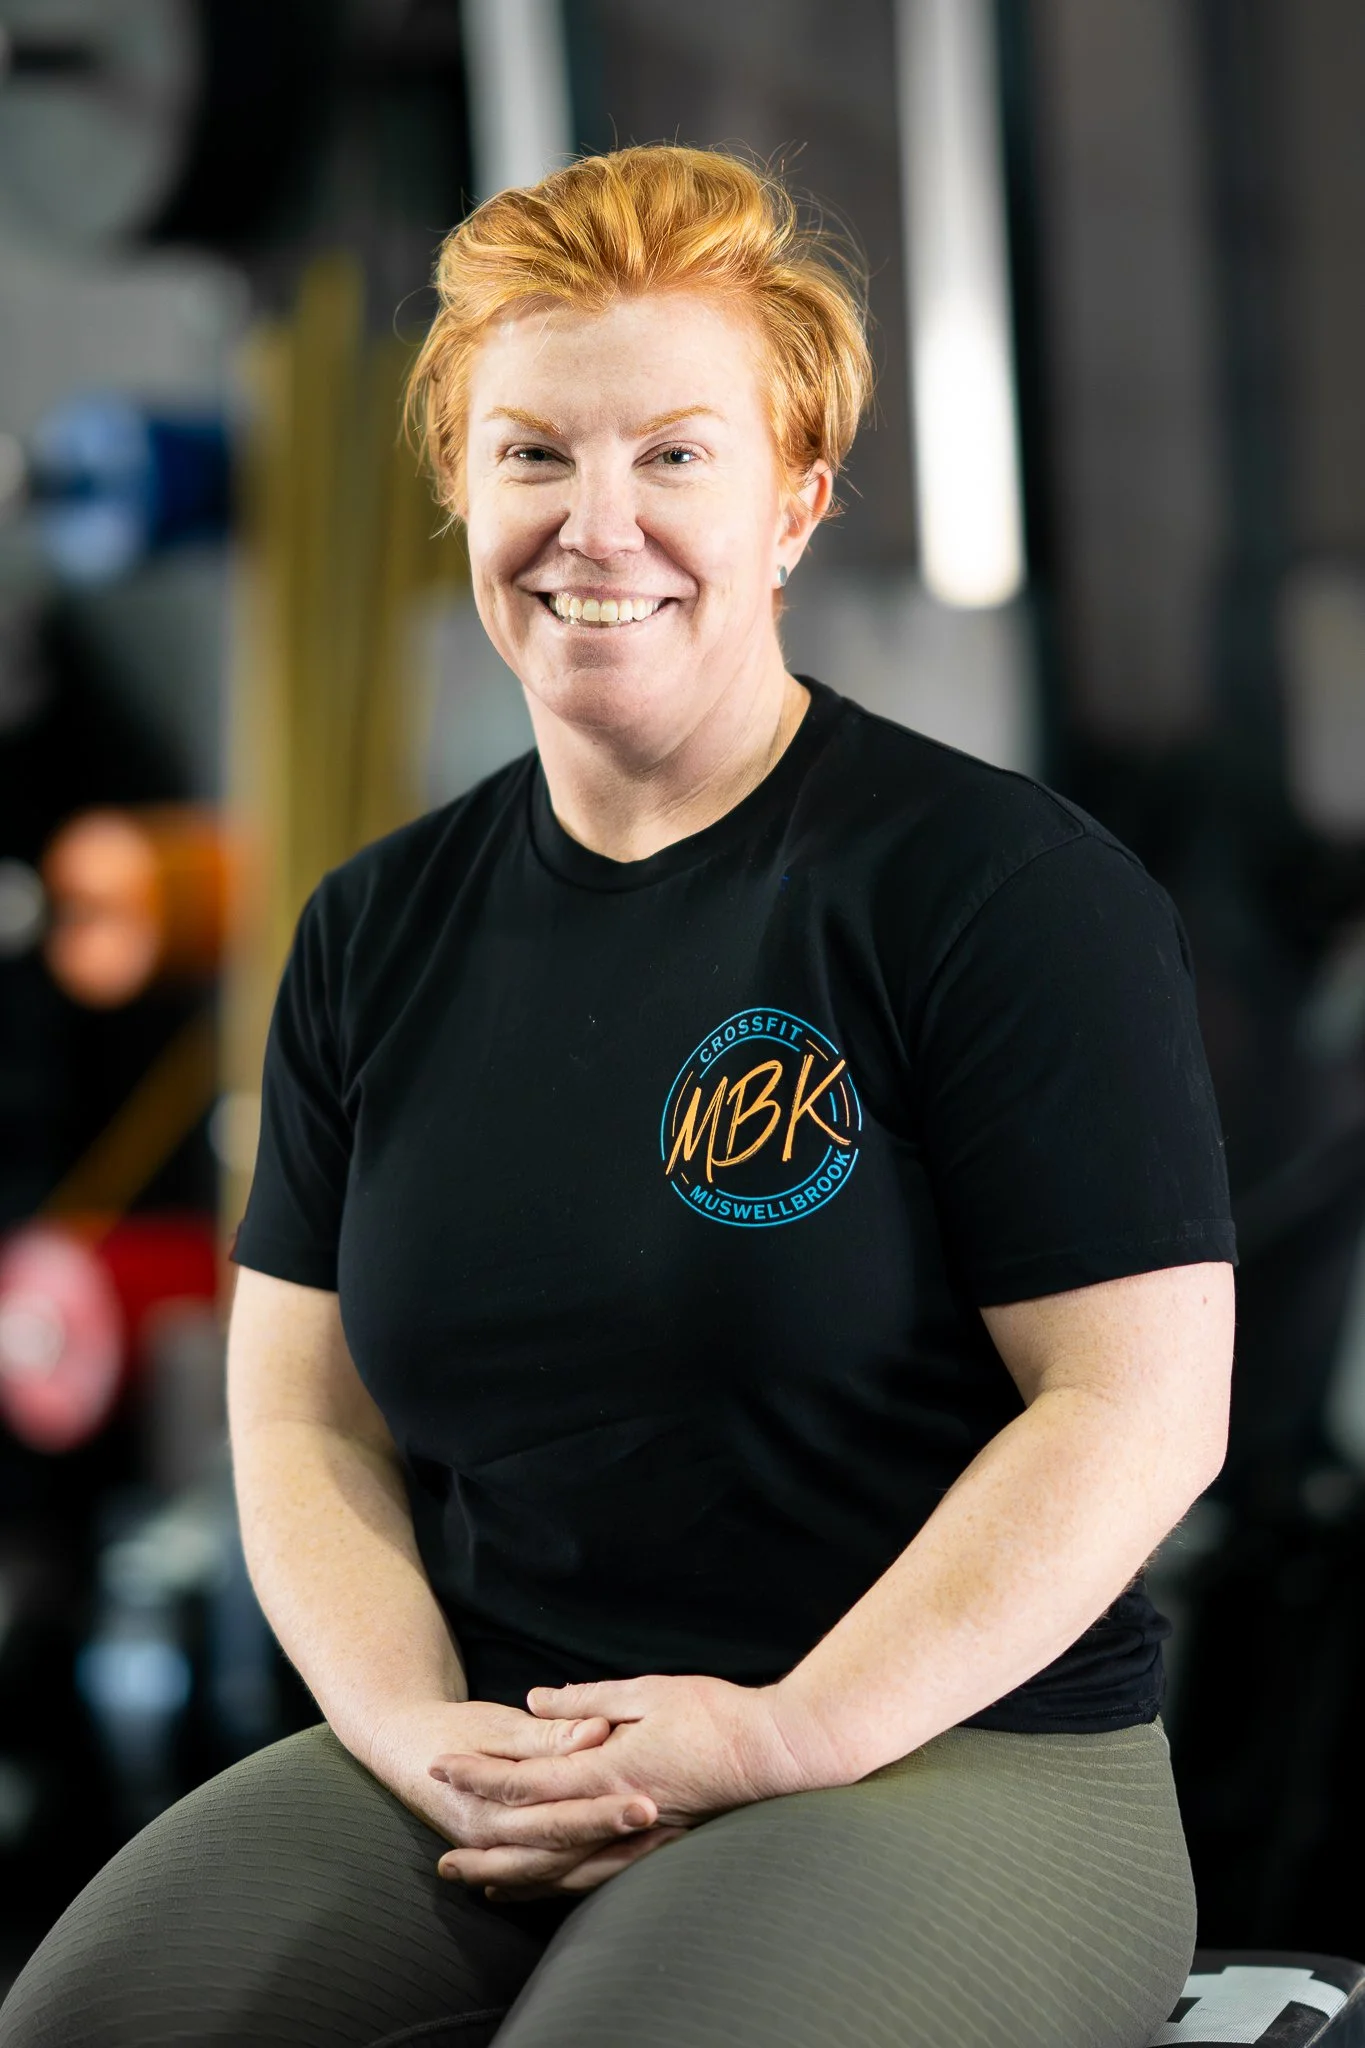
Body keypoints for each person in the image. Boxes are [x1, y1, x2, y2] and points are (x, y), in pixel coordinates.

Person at [0, 144, 1237, 2048]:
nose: (598, 523)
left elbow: (1139, 1411)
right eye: (534, 454)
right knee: (94, 2021)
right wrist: (415, 1732)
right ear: (458, 488)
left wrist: (782, 1732)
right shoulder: (368, 933)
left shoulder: (993, 891)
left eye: (675, 454)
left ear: (795, 504)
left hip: (942, 1749)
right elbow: (301, 1425)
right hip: (504, 1742)